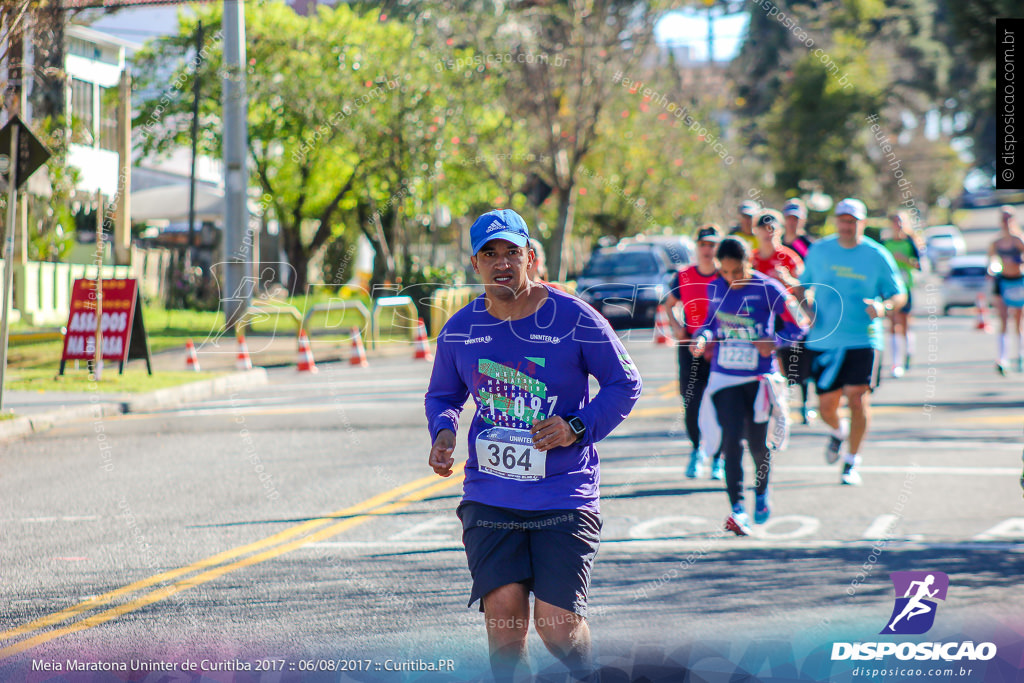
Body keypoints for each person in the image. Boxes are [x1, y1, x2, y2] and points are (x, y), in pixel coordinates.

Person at [425, 209, 642, 682]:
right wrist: (443, 431)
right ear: (475, 262)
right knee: (504, 627)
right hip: (490, 496)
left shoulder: (574, 317)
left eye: (511, 252)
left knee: (558, 627)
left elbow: (624, 384)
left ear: (530, 256)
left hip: (563, 493)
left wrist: (576, 426)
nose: (502, 263)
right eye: (490, 254)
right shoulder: (461, 328)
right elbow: (444, 394)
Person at [691, 237, 808, 536]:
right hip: (725, 377)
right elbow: (708, 323)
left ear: (749, 263)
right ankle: (738, 510)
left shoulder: (769, 288)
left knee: (757, 445)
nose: (732, 278)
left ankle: (762, 491)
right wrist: (702, 337)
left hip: (758, 379)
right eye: (726, 271)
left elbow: (801, 325)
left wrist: (776, 342)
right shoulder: (716, 286)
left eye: (738, 271)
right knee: (732, 441)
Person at [794, 198, 906, 486]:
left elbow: (898, 294)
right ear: (836, 221)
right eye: (842, 220)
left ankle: (851, 461)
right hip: (825, 340)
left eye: (852, 221)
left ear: (863, 223)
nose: (846, 225)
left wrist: (884, 308)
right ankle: (838, 431)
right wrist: (807, 309)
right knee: (826, 407)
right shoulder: (820, 251)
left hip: (864, 338)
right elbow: (801, 287)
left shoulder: (877, 255)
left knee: (858, 398)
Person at [663, 225, 724, 480]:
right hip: (691, 349)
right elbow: (669, 304)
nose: (707, 249)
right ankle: (697, 450)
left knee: (722, 403)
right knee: (692, 402)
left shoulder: (726, 275)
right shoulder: (684, 275)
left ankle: (718, 458)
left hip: (719, 349)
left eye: (712, 245)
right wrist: (677, 328)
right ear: (697, 247)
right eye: (703, 245)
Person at [752, 211, 813, 423]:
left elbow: (806, 287)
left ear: (779, 231)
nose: (768, 233)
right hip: (763, 316)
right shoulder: (752, 259)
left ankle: (804, 405)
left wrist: (787, 279)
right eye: (764, 229)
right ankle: (779, 403)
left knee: (797, 359)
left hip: (788, 314)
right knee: (773, 361)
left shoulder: (789, 256)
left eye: (772, 229)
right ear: (756, 231)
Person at [882, 211, 923, 378]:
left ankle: (908, 353)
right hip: (890, 290)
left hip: (906, 287)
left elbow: (920, 265)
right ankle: (895, 362)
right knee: (892, 324)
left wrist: (904, 260)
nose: (897, 225)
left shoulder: (910, 242)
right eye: (895, 221)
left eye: (900, 222)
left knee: (905, 323)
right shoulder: (885, 243)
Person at [988, 206, 1024, 375]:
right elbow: (991, 259)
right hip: (1002, 281)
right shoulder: (996, 242)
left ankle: (1020, 355)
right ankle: (1002, 358)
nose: (1006, 221)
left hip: (1018, 281)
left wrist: (1016, 261)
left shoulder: (1019, 239)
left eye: (1009, 217)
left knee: (1018, 319)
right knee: (1002, 318)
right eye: (1003, 218)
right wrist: (992, 267)